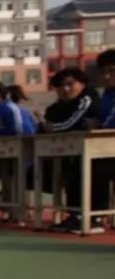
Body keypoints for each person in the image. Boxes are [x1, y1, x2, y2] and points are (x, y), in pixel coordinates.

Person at [44, 64, 112, 233]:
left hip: (104, 151)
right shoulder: (56, 107)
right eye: (61, 86)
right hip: (86, 149)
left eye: (70, 84)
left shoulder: (89, 98)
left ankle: (95, 217)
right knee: (72, 168)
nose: (66, 89)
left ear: (82, 84)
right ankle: (75, 215)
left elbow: (71, 125)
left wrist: (101, 125)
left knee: (95, 167)